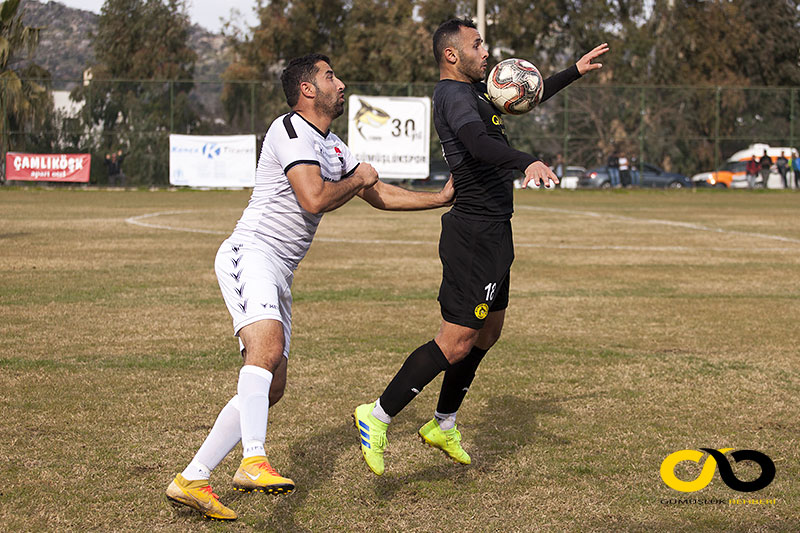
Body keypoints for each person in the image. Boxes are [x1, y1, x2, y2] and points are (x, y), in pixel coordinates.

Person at [165, 53, 454, 521]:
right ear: (306, 89)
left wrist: (437, 198)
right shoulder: (289, 130)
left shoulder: (333, 145)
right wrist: (360, 177)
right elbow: (315, 197)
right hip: (251, 253)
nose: (339, 83)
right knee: (267, 349)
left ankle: (193, 477)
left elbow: (375, 193)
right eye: (329, 75)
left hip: (280, 271)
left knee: (271, 384)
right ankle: (253, 459)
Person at [353, 18, 608, 476]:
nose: (486, 51)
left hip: (495, 229)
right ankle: (377, 414)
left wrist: (573, 71)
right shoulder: (452, 95)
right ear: (452, 55)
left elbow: (523, 95)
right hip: (473, 232)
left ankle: (443, 423)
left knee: (487, 333)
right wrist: (526, 160)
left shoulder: (474, 91)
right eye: (477, 44)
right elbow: (475, 142)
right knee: (456, 341)